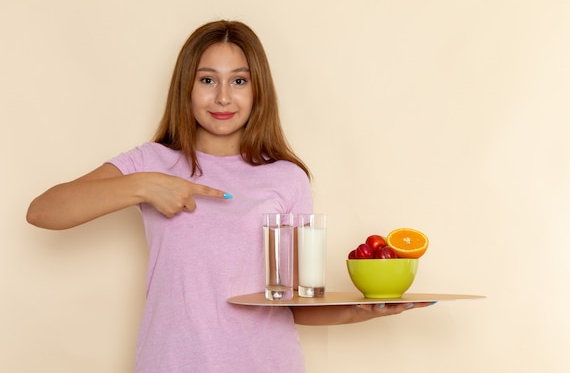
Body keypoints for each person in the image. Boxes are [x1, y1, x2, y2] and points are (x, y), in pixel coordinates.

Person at [26, 20, 430, 373]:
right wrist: (145, 185)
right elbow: (44, 211)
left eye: (239, 80)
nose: (223, 97)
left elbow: (291, 302)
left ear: (258, 91)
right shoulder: (151, 161)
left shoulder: (287, 178)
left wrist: (365, 308)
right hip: (170, 364)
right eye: (207, 80)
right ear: (186, 87)